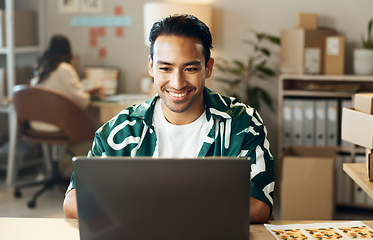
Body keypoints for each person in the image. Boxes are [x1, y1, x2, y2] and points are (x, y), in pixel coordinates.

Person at [63, 14, 275, 223]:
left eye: (190, 69)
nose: (177, 83)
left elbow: (258, 204)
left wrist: (148, 207)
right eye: (166, 68)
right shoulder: (122, 129)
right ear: (151, 66)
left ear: (208, 68)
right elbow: (73, 200)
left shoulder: (243, 123)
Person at [30, 34, 90, 132]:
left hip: (36, 122)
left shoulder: (41, 68)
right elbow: (81, 101)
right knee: (92, 130)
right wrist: (88, 95)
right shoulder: (65, 69)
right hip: (57, 123)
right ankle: (71, 148)